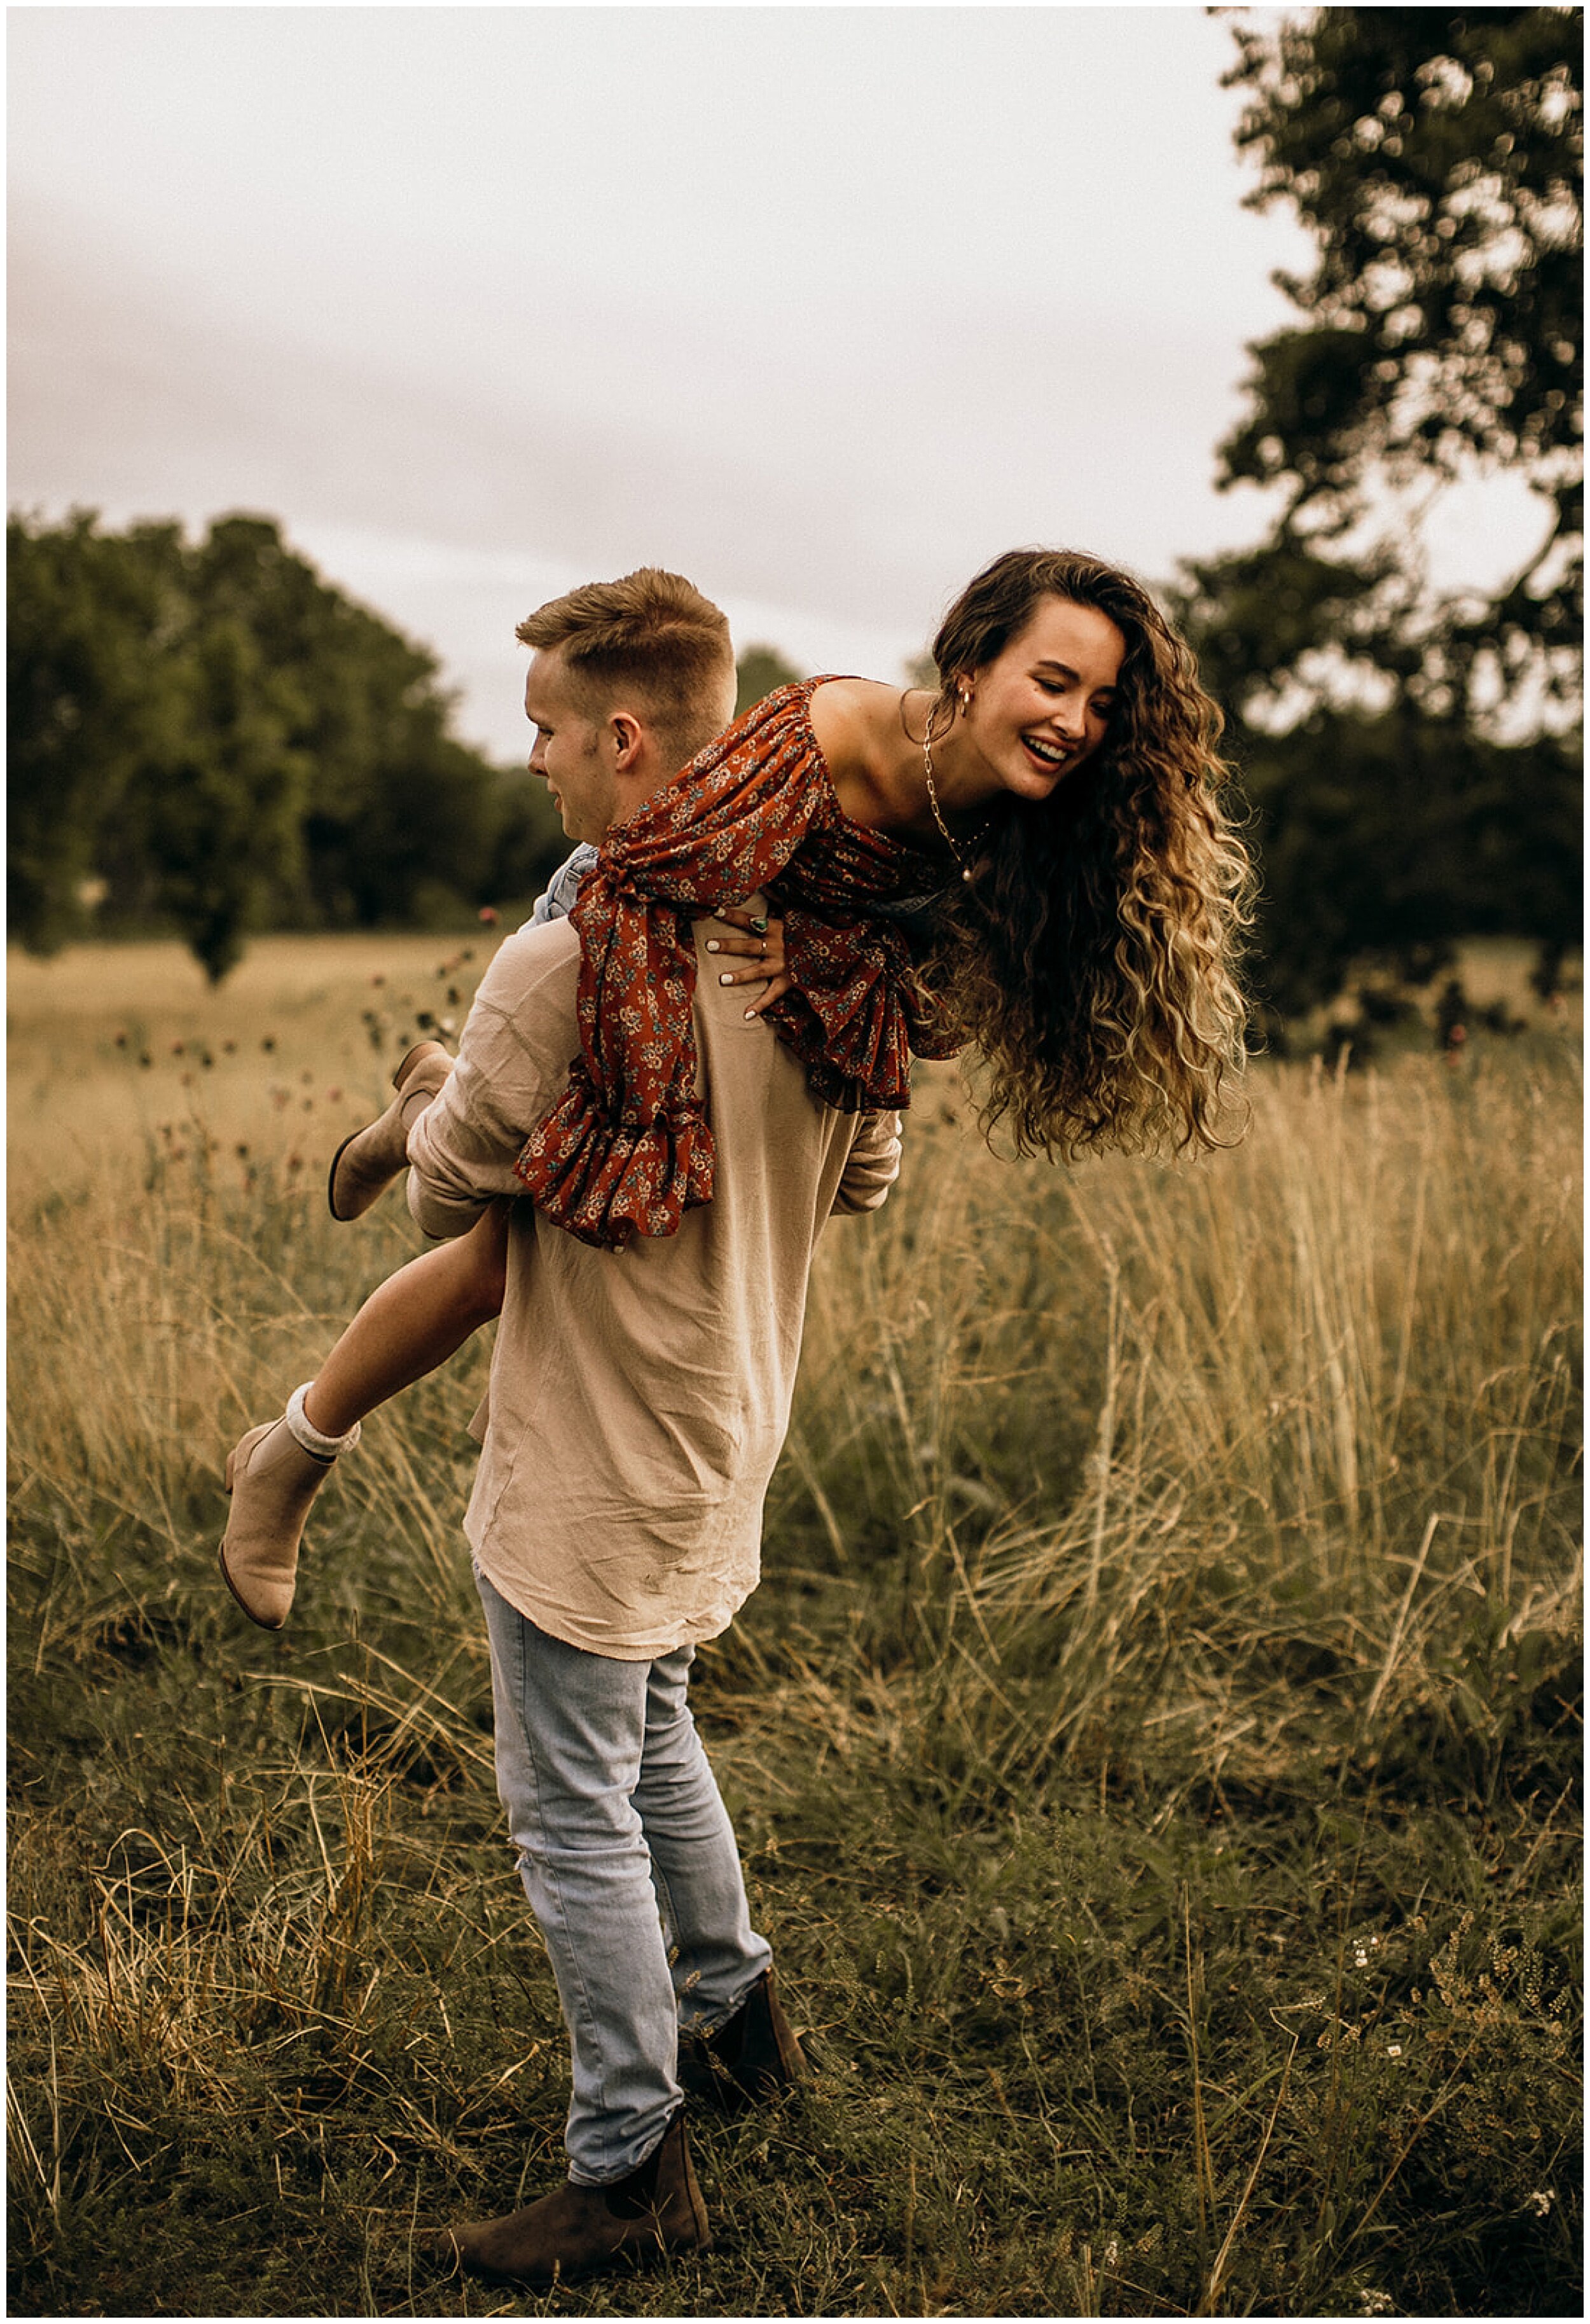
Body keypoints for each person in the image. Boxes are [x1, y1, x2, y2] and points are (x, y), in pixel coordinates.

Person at [220, 547, 1251, 1633]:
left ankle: (422, 1113)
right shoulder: (827, 741)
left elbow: (941, 1010)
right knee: (492, 1257)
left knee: (546, 1258)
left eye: (1102, 701)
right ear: (968, 669)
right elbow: (649, 867)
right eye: (1053, 681)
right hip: (620, 916)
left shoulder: (1023, 830)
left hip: (745, 997)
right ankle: (297, 1448)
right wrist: (806, 963)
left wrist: (823, 959)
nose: (1077, 720)